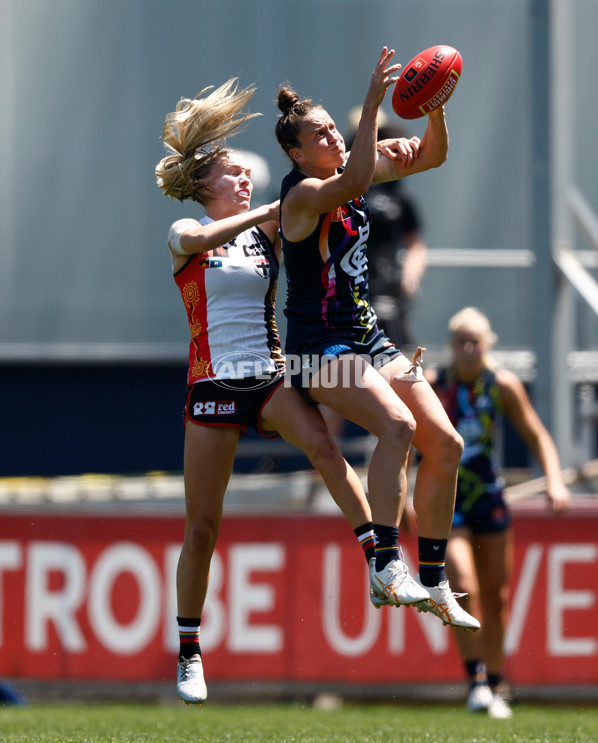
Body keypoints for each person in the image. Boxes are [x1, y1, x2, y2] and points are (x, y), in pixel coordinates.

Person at [155, 79, 379, 705]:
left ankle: (380, 560)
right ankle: (190, 651)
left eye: (248, 175)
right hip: (212, 383)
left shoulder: (268, 232)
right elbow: (200, 243)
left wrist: (361, 168)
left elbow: (319, 212)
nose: (245, 180)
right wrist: (268, 213)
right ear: (203, 183)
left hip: (269, 373)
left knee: (322, 446)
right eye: (233, 174)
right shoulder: (185, 230)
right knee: (203, 527)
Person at [274, 46, 479, 631]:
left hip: (368, 339)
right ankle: (385, 566)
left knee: (446, 444)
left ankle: (433, 579)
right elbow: (358, 177)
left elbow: (433, 155)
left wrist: (435, 106)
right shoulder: (302, 195)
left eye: (333, 129)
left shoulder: (352, 169)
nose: (333, 138)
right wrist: (371, 106)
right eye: (320, 135)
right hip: (318, 351)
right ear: (296, 155)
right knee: (398, 427)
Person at [424, 307, 570, 719]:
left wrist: (555, 481)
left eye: (475, 341)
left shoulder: (502, 385)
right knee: (462, 585)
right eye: (462, 342)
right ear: (452, 345)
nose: (469, 349)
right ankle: (475, 679)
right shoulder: (434, 385)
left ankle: (496, 683)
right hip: (448, 502)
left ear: (488, 344)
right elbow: (406, 441)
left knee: (497, 596)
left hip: (489, 499)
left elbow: (537, 436)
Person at [345, 109, 428, 349]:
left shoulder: (400, 198)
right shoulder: (342, 188)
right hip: (348, 288)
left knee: (394, 351)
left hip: (388, 290)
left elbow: (416, 244)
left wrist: (410, 275)